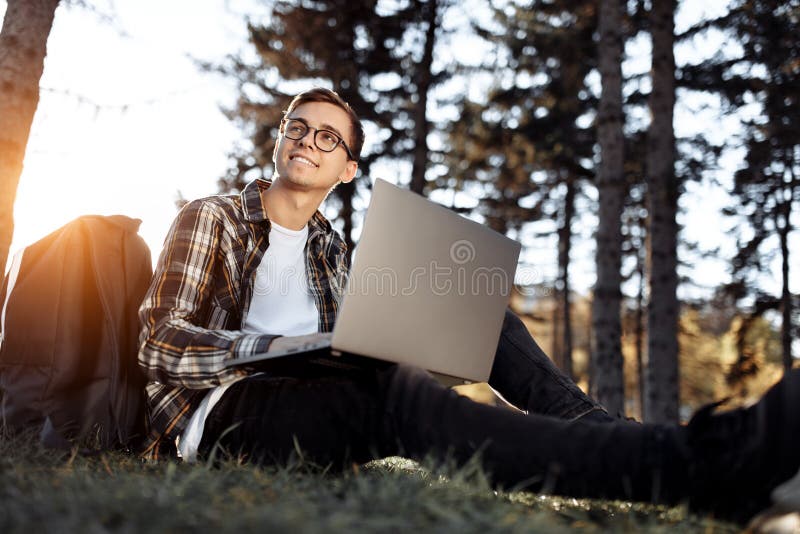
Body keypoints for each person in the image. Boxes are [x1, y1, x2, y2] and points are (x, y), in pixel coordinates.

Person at [138, 87, 800, 524]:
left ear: (347, 170)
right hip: (221, 419)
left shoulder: (330, 250)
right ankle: (712, 461)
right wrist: (277, 350)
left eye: (328, 138)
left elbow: (345, 347)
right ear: (279, 141)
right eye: (298, 129)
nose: (308, 141)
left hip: (316, 402)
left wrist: (413, 331)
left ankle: (607, 433)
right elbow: (160, 344)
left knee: (481, 315)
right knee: (392, 398)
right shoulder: (215, 218)